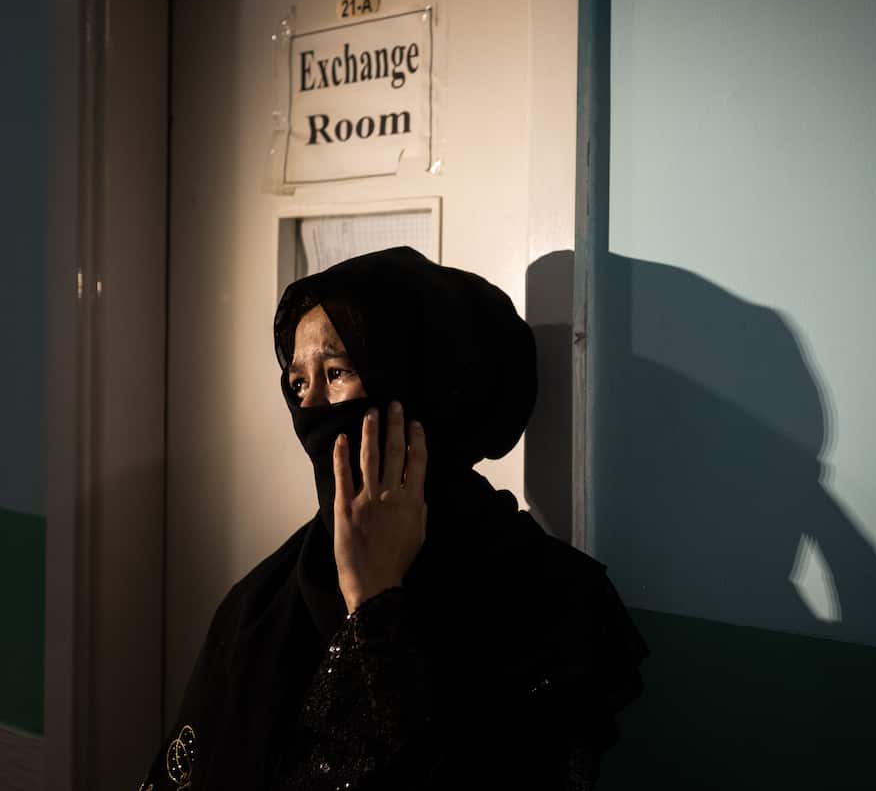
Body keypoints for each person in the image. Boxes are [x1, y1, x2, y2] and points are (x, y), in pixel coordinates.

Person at [137, 246, 647, 790]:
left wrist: (375, 606)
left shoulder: (551, 600)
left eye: (337, 372)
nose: (312, 409)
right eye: (297, 384)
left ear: (424, 384)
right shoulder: (263, 601)